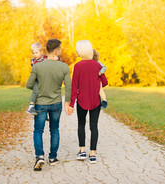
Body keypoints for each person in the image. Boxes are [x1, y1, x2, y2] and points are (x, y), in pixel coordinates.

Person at [26, 39, 71, 171]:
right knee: (54, 130)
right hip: (56, 103)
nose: (62, 49)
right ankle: (52, 158)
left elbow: (29, 84)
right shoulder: (64, 67)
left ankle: (40, 156)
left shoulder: (37, 66)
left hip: (40, 104)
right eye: (60, 48)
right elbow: (68, 87)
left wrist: (38, 85)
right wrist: (68, 104)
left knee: (38, 131)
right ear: (56, 50)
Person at [68, 40, 108, 164]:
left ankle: (82, 151)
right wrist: (99, 75)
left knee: (81, 125)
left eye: (77, 49)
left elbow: (74, 87)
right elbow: (105, 82)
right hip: (95, 100)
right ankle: (93, 154)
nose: (76, 51)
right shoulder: (97, 65)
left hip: (82, 101)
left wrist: (71, 104)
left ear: (81, 51)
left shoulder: (77, 66)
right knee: (94, 126)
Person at [26, 42, 47, 115]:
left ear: (41, 52)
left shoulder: (46, 58)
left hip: (44, 80)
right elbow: (36, 70)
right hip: (36, 79)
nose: (34, 55)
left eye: (36, 53)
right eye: (33, 53)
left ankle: (44, 111)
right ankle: (31, 106)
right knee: (36, 91)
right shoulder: (33, 60)